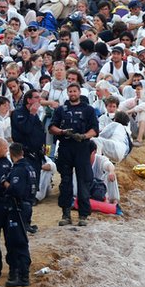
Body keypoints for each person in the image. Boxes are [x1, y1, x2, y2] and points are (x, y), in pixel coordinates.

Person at [48, 83, 99, 227]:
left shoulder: (88, 110)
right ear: (67, 93)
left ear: (79, 92)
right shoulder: (60, 110)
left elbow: (95, 129)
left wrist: (83, 136)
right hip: (65, 147)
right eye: (70, 91)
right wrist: (63, 132)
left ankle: (83, 215)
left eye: (74, 91)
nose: (72, 93)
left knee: (83, 182)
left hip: (82, 148)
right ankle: (66, 214)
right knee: (65, 182)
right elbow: (51, 127)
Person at [2, 143, 35, 287]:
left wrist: (4, 183)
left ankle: (23, 277)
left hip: (18, 208)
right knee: (19, 240)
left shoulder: (19, 169)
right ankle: (20, 274)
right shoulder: (29, 167)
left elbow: (16, 190)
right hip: (26, 206)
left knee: (19, 242)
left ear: (11, 153)